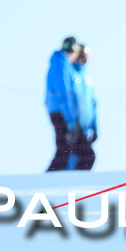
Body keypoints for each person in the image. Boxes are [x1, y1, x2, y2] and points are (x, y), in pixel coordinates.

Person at [45, 36, 82, 171]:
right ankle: (47, 180)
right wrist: (70, 118)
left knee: (65, 149)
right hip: (61, 113)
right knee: (64, 150)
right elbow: (64, 95)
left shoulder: (59, 64)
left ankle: (54, 178)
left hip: (58, 111)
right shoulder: (62, 66)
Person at [67, 44, 98, 170]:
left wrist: (95, 128)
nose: (83, 58)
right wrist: (70, 123)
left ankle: (78, 180)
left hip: (85, 127)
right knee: (80, 155)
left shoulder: (88, 80)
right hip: (73, 125)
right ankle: (68, 180)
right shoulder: (71, 75)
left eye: (85, 55)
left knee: (86, 157)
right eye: (80, 54)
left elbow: (93, 104)